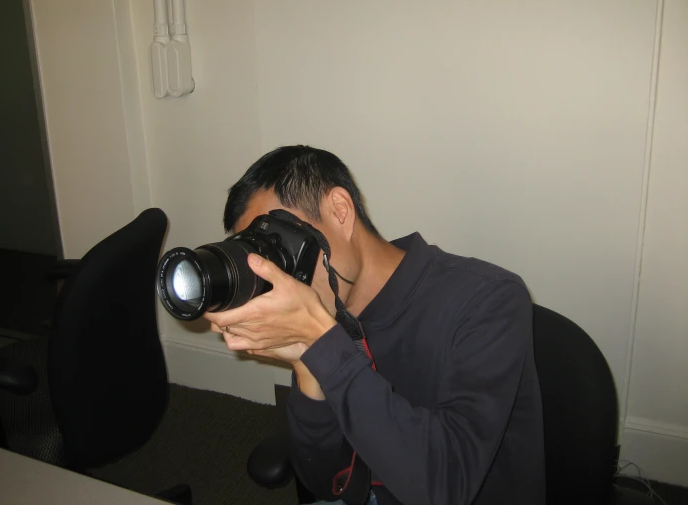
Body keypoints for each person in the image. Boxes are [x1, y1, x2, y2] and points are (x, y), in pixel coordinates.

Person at [205, 145, 545, 505]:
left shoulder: (487, 300)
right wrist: (306, 364)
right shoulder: (323, 310)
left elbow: (445, 487)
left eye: (280, 246)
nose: (278, 279)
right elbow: (326, 484)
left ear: (339, 211)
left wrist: (321, 342)